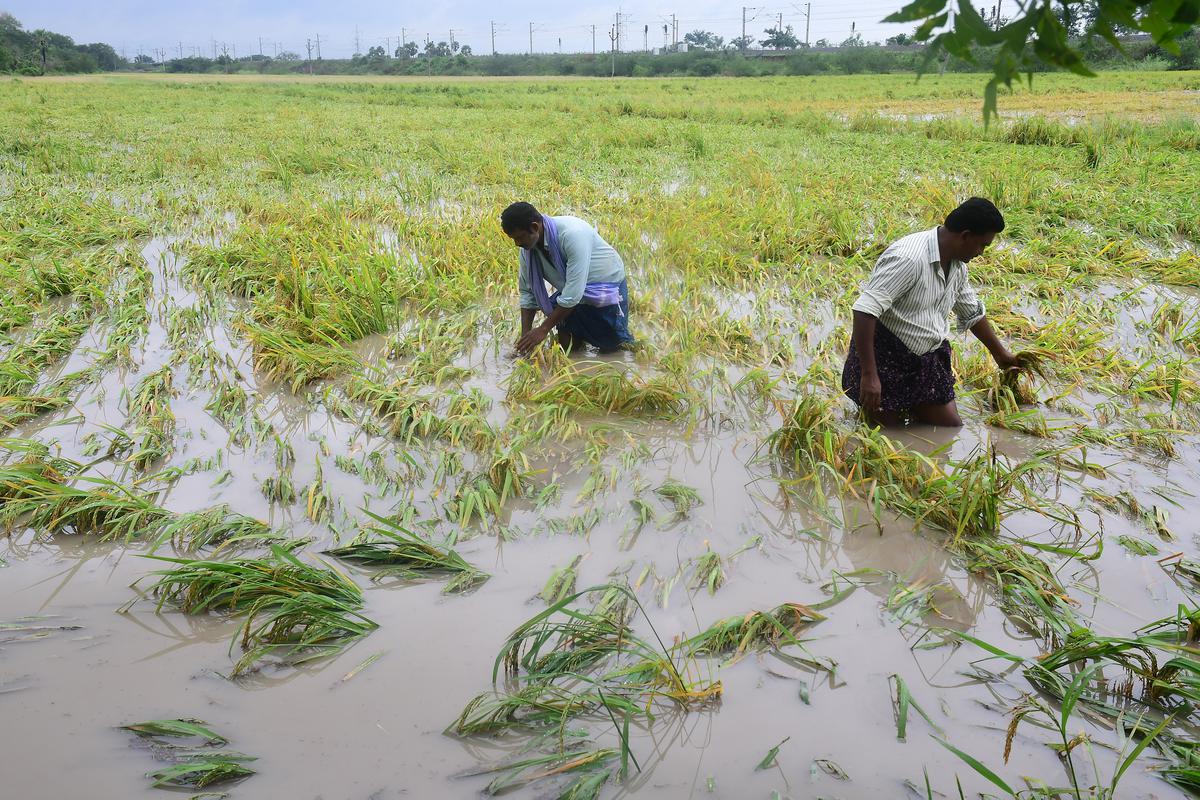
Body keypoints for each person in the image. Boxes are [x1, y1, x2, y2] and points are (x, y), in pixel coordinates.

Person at [842, 197, 1019, 428]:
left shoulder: (957, 265)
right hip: (884, 359)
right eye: (982, 245)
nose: (981, 252)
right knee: (889, 435)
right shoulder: (909, 259)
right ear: (965, 236)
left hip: (926, 360)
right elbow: (865, 311)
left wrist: (1000, 355)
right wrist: (869, 375)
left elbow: (971, 311)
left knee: (950, 426)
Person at [501, 202, 635, 356]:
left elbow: (573, 294)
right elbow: (527, 293)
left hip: (604, 287)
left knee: (611, 349)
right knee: (567, 346)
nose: (517, 243)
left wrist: (543, 329)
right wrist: (525, 340)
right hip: (572, 290)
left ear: (535, 227)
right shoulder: (528, 249)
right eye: (513, 239)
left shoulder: (573, 234)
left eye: (519, 237)